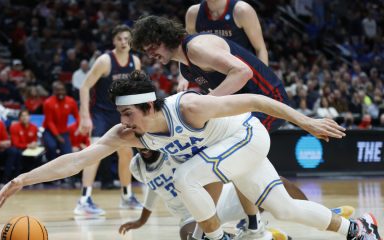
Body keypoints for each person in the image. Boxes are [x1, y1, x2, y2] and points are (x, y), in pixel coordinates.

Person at [0, 71, 380, 240]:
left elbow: (257, 99)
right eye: (121, 116)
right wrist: (23, 179)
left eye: (128, 114)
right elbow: (76, 160)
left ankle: (216, 238)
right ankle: (359, 229)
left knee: (187, 177)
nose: (123, 123)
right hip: (229, 156)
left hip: (248, 137)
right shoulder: (130, 133)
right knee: (285, 210)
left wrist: (307, 121)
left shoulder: (188, 106)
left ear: (148, 107)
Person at [131, 15, 355, 233]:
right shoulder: (185, 66)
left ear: (165, 37)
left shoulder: (196, 48)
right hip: (244, 109)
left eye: (152, 46)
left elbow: (243, 72)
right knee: (254, 178)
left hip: (266, 100)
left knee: (233, 163)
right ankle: (300, 217)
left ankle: (253, 225)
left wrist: (208, 103)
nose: (150, 54)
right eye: (145, 50)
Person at [119, 148, 290, 240]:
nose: (142, 148)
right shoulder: (136, 166)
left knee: (277, 184)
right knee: (189, 237)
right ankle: (264, 235)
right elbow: (153, 188)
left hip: (219, 198)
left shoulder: (173, 150)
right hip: (190, 216)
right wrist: (141, 220)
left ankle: (256, 226)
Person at [74, 25, 142, 215]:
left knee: (126, 154)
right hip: (101, 113)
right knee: (94, 154)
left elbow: (135, 91)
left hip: (121, 114)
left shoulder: (135, 62)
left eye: (127, 39)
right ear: (114, 41)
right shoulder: (105, 61)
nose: (123, 42)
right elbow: (85, 87)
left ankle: (127, 197)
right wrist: (85, 116)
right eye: (119, 39)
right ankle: (84, 200)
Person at [42, 81, 78, 163]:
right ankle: (49, 164)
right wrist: (58, 136)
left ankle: (66, 174)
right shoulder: (48, 102)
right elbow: (49, 121)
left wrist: (80, 126)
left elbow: (77, 115)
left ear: (65, 91)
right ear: (54, 91)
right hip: (49, 131)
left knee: (67, 153)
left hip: (64, 131)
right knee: (52, 146)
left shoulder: (71, 101)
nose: (60, 92)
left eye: (62, 90)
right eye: (58, 90)